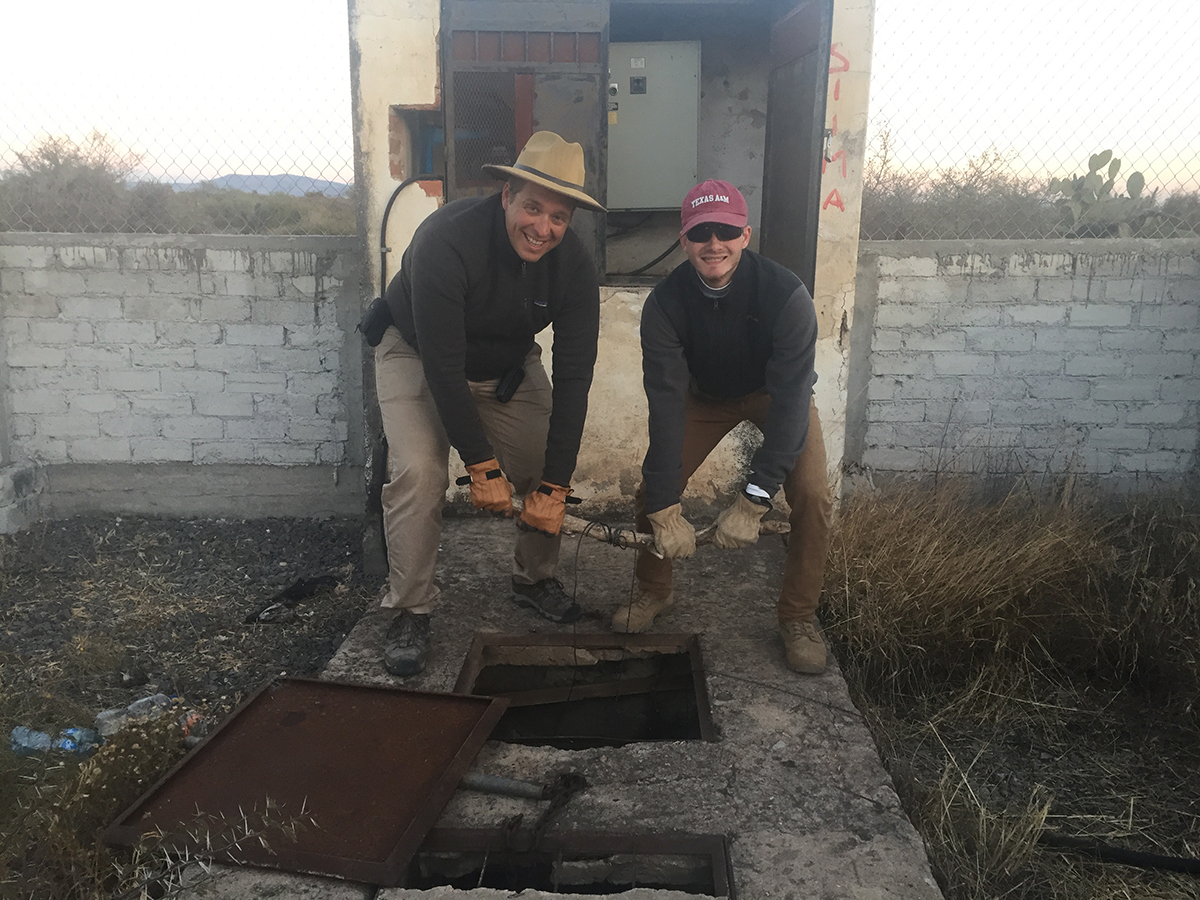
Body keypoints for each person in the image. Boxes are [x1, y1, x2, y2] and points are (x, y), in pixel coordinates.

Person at [372, 131, 605, 677]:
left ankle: (535, 579)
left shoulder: (572, 265)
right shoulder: (444, 240)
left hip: (507, 365)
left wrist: (554, 485)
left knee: (544, 462)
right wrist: (480, 465)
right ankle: (410, 609)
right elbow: (443, 366)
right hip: (417, 353)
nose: (542, 228)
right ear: (506, 196)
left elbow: (575, 374)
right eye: (532, 207)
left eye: (558, 217)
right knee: (420, 472)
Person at [611, 179, 834, 674]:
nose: (715, 243)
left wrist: (755, 499)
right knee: (654, 492)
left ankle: (798, 616)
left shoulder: (785, 294)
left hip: (775, 395)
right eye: (702, 232)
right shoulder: (665, 305)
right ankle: (654, 589)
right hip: (702, 397)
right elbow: (665, 403)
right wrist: (668, 509)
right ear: (685, 239)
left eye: (726, 231)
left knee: (815, 495)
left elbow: (795, 397)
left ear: (746, 235)